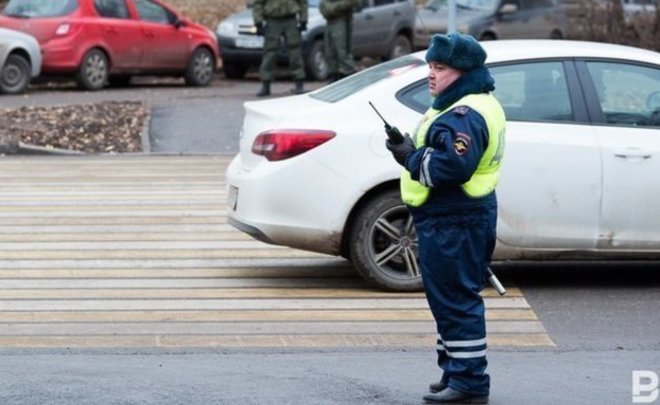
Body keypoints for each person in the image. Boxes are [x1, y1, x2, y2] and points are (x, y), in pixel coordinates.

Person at [385, 32, 505, 404]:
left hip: (456, 219)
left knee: (455, 300)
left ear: (464, 71)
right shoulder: (466, 105)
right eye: (431, 67)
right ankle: (454, 371)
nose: (431, 75)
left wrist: (408, 156)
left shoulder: (465, 114)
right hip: (457, 217)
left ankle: (468, 383)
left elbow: (452, 167)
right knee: (448, 299)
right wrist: (414, 148)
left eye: (440, 68)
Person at [253, 0, 308, 96]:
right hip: (272, 19)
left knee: (295, 51)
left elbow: (302, 2)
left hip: (290, 19)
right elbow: (258, 3)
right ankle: (266, 84)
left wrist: (303, 20)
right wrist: (258, 22)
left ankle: (299, 82)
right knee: (270, 52)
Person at [319, 0, 358, 82]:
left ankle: (348, 74)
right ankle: (334, 75)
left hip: (341, 20)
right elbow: (324, 6)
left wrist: (333, 7)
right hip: (330, 21)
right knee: (330, 51)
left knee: (342, 51)